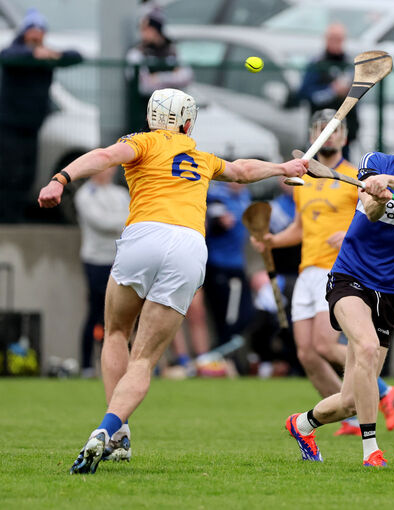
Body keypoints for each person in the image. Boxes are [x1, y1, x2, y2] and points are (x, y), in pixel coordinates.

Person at [37, 87, 307, 475]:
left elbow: (103, 157)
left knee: (115, 333)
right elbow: (243, 170)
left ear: (151, 118)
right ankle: (109, 430)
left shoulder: (142, 141)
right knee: (145, 358)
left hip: (143, 237)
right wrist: (283, 168)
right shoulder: (201, 156)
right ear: (187, 123)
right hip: (189, 246)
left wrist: (61, 179)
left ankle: (118, 432)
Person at [284, 111, 394, 467]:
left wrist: (390, 184)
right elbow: (372, 210)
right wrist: (377, 194)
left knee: (351, 399)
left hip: (392, 291)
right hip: (351, 277)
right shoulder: (374, 162)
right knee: (364, 347)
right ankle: (371, 451)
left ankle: (301, 424)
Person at [252, 109, 394, 437]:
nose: (329, 134)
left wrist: (348, 233)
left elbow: (373, 216)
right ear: (312, 138)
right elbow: (300, 227)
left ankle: (384, 391)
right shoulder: (304, 180)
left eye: (335, 129)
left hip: (338, 270)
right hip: (307, 271)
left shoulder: (354, 176)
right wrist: (272, 241)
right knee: (307, 354)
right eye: (321, 129)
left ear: (344, 137)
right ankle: (349, 415)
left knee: (324, 344)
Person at [0, 7, 82, 223]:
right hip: (9, 127)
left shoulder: (46, 54)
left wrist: (52, 54)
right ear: (25, 31)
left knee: (27, 174)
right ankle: (7, 218)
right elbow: (8, 55)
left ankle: (16, 217)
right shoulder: (17, 52)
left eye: (40, 30)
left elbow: (76, 56)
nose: (37, 35)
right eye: (32, 29)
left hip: (33, 127)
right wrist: (35, 54)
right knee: (8, 173)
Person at [74, 167, 130, 378]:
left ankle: (126, 363)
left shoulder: (120, 193)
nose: (106, 173)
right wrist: (122, 222)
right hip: (96, 261)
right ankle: (87, 365)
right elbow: (102, 223)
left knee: (125, 313)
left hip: (120, 259)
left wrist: (122, 223)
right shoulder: (85, 195)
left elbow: (133, 216)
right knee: (96, 312)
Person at [204, 182, 255, 350]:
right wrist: (219, 221)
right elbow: (213, 223)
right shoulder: (217, 195)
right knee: (227, 318)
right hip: (220, 266)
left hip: (238, 264)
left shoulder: (244, 195)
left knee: (245, 314)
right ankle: (221, 356)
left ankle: (224, 354)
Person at [296, 22, 359, 157]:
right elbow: (305, 93)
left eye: (339, 38)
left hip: (344, 129)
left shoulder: (350, 64)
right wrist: (332, 91)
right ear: (326, 39)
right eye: (333, 38)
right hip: (320, 129)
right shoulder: (316, 64)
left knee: (342, 169)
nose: (336, 42)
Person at [125, 8, 193, 133]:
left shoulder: (173, 51)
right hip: (144, 116)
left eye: (147, 29)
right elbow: (145, 85)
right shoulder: (136, 53)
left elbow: (186, 76)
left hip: (173, 116)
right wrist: (172, 77)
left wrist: (159, 78)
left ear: (157, 30)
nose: (143, 33)